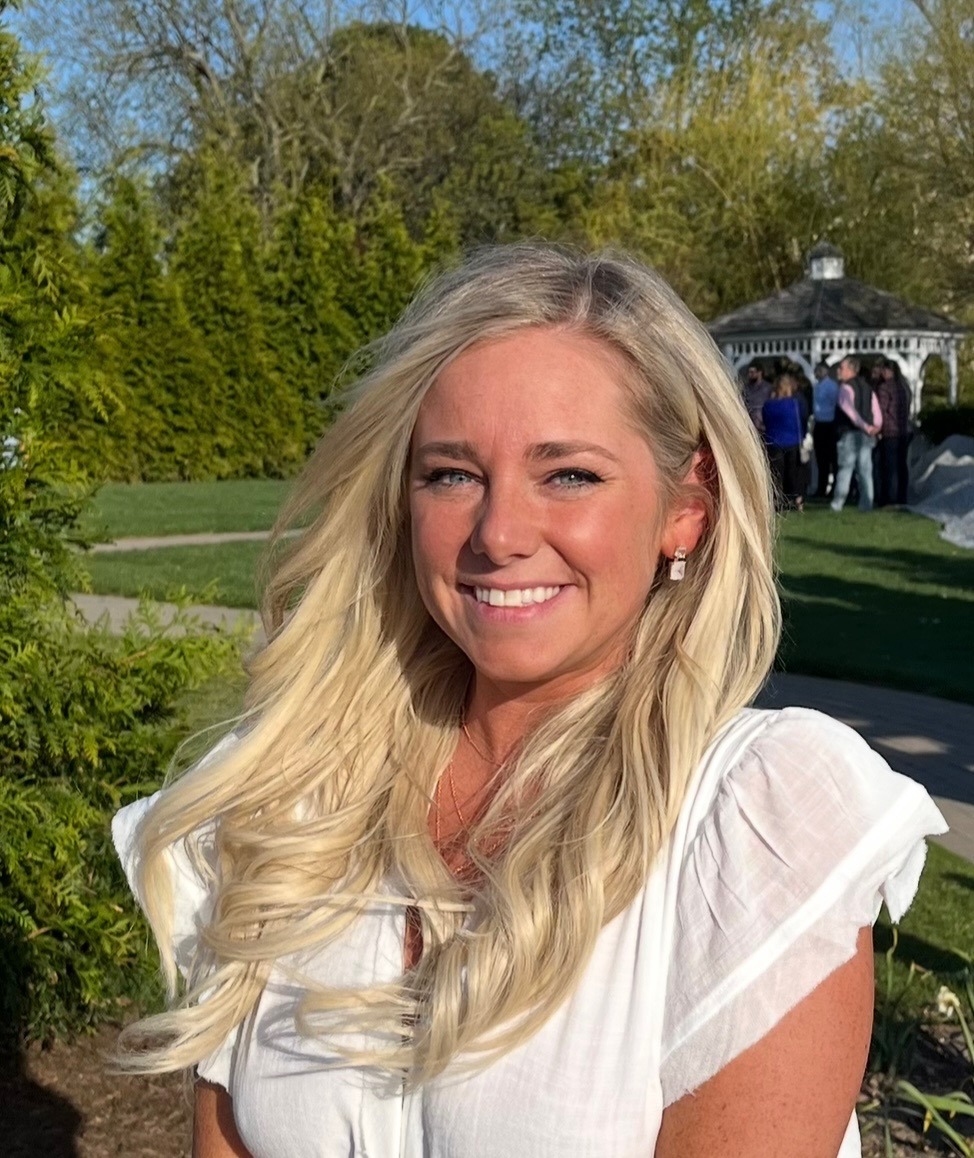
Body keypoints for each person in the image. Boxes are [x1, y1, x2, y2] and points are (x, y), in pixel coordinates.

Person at [112, 247, 945, 1158]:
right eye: (452, 474)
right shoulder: (291, 804)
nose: (499, 533)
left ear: (686, 508)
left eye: (569, 475)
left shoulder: (754, 824)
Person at [830, 354, 882, 512]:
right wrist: (876, 426)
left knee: (845, 469)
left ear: (851, 370)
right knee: (865, 470)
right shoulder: (868, 388)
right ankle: (867, 503)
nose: (838, 371)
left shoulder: (845, 388)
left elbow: (850, 411)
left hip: (850, 434)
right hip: (866, 435)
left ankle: (837, 503)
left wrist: (865, 426)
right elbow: (876, 409)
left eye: (841, 368)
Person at [762, 371, 809, 511]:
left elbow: (765, 421)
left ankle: (777, 500)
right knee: (793, 472)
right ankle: (796, 498)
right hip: (793, 441)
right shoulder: (795, 403)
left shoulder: (768, 405)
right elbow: (803, 419)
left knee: (777, 473)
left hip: (774, 441)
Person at [874, 359, 912, 506]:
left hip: (889, 432)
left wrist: (879, 428)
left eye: (884, 369)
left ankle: (890, 497)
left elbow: (882, 410)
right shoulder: (903, 387)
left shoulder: (884, 388)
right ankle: (902, 496)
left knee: (890, 467)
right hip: (902, 431)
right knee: (901, 465)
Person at [812, 361, 839, 497]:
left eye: (819, 370)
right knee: (821, 458)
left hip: (829, 424)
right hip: (819, 424)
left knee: (831, 458)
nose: (817, 373)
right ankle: (821, 487)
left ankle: (834, 488)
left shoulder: (832, 386)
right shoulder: (817, 386)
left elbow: (836, 404)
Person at [742, 358, 773, 434]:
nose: (750, 375)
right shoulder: (746, 388)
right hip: (750, 424)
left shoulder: (768, 388)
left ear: (759, 373)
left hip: (764, 425)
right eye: (749, 372)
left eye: (752, 372)